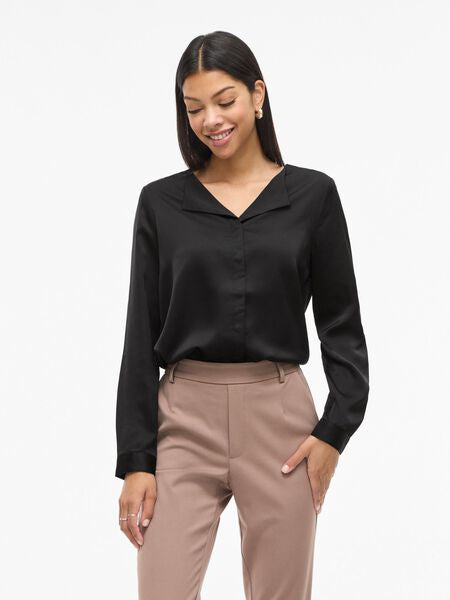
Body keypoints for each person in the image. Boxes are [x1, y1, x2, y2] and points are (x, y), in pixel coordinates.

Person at [115, 30, 369, 600]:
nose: (210, 120)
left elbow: (342, 328)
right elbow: (139, 334)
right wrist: (135, 460)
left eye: (224, 100)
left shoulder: (313, 196)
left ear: (257, 95)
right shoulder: (160, 203)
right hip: (182, 420)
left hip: (280, 421)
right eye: (194, 108)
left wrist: (333, 433)